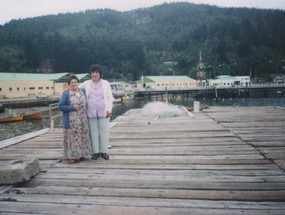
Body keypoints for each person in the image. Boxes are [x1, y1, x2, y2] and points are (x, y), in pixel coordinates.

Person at [81, 64, 113, 160]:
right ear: (90, 74)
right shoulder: (86, 83)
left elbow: (109, 97)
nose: (95, 74)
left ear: (100, 74)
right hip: (90, 112)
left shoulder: (106, 83)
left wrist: (109, 109)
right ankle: (95, 152)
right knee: (93, 132)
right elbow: (76, 89)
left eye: (96, 72)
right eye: (93, 72)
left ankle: (104, 152)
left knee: (104, 132)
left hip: (104, 111)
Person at [58, 75, 92, 164]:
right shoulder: (66, 94)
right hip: (71, 121)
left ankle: (82, 154)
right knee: (73, 139)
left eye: (75, 82)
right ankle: (73, 157)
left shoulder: (83, 91)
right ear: (69, 84)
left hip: (83, 120)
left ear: (78, 83)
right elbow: (60, 106)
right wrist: (72, 107)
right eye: (72, 82)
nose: (74, 84)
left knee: (82, 137)